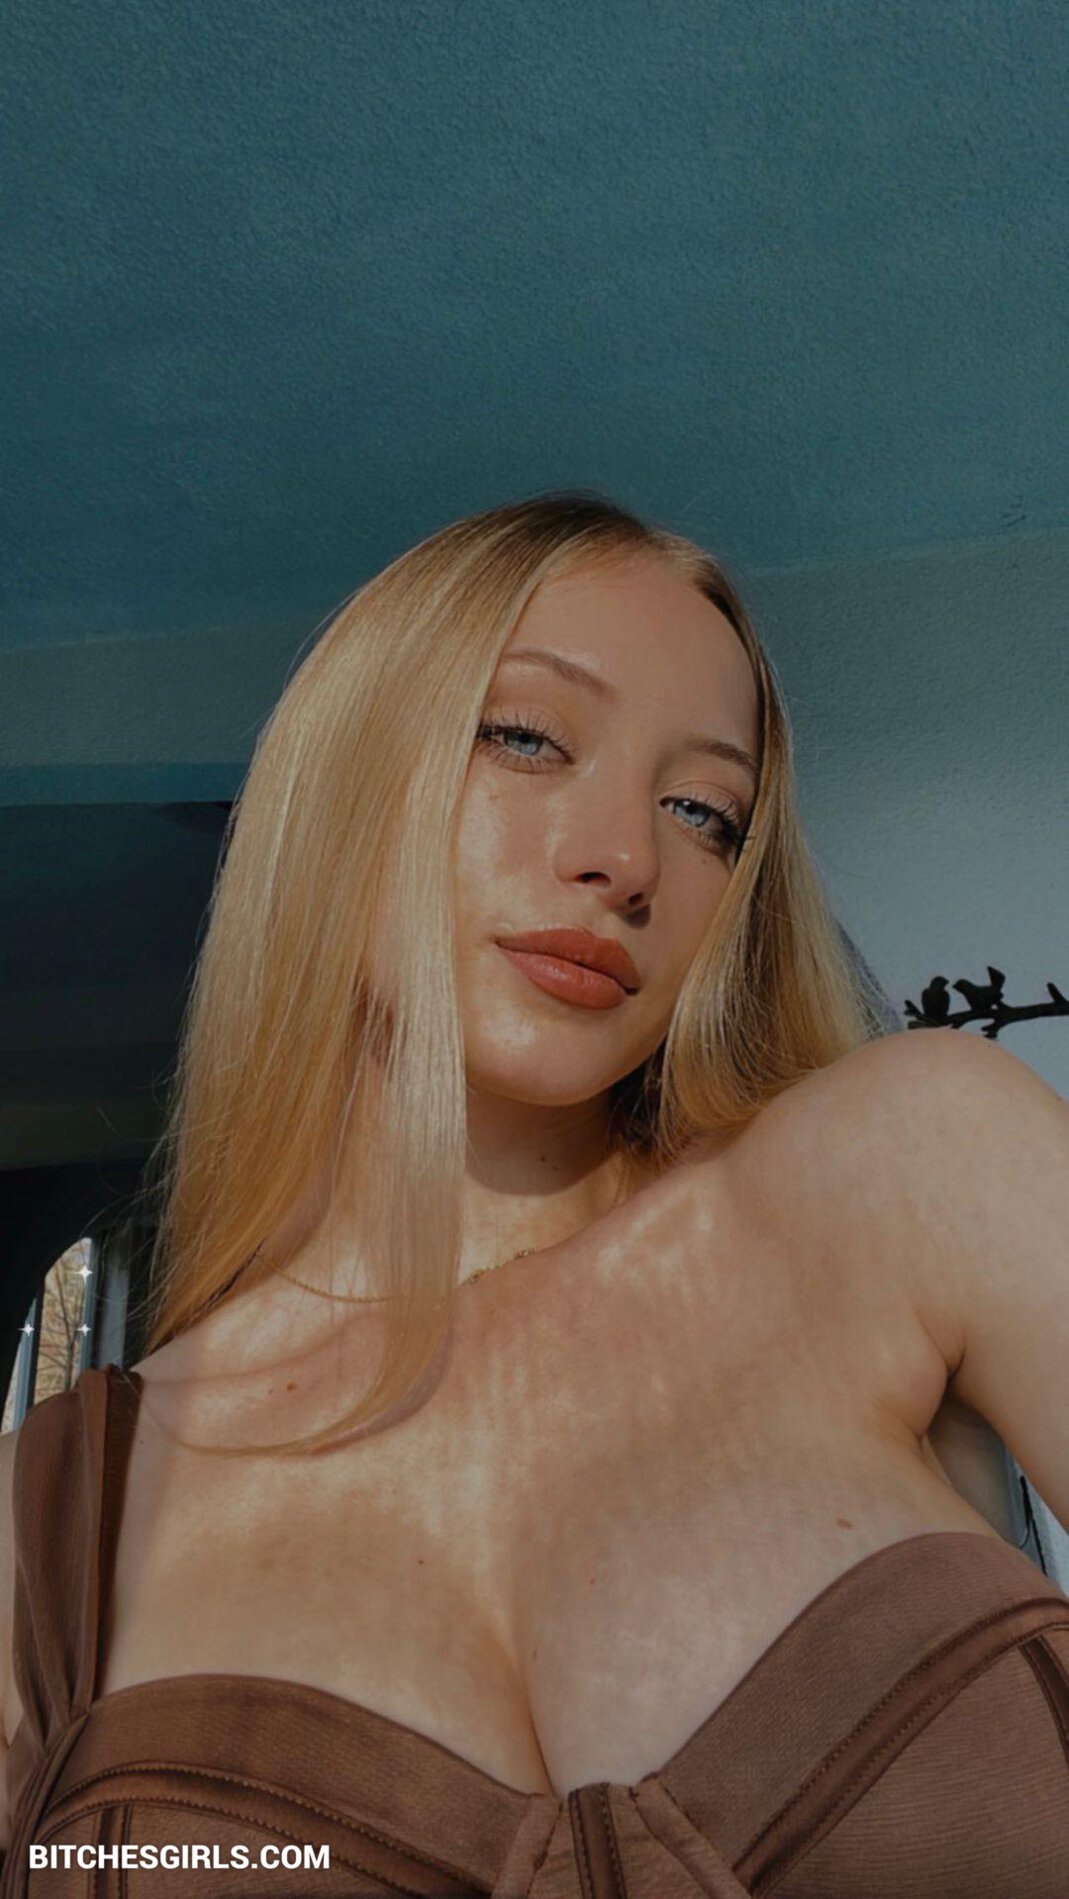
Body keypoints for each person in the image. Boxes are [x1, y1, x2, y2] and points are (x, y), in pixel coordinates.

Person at [1, 491, 1067, 1896]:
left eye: (705, 813)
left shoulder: (910, 1164)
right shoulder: (54, 1526)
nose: (626, 858)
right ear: (339, 774)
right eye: (524, 736)